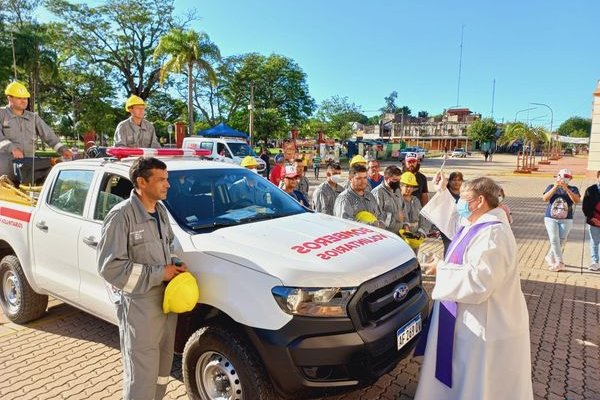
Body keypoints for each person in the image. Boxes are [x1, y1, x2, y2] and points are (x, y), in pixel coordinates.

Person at [416, 174, 533, 400]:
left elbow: (480, 281)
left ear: (480, 201)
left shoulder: (493, 233)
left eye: (464, 199)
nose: (460, 204)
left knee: (475, 381)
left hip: (485, 323)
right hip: (469, 318)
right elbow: (453, 221)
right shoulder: (478, 223)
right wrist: (441, 190)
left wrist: (442, 269)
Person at [97, 157, 187, 400]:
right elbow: (110, 268)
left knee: (161, 369)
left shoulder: (160, 211)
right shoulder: (121, 216)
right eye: (161, 180)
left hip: (166, 303)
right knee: (142, 374)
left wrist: (175, 264)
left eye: (167, 180)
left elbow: (168, 244)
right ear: (141, 182)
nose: (167, 185)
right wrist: (161, 273)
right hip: (140, 307)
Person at [0, 82, 73, 180]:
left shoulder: (33, 117)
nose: (24, 101)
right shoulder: (1, 114)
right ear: (9, 98)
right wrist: (12, 148)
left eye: (25, 98)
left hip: (28, 170)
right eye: (19, 98)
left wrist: (63, 150)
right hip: (4, 171)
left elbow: (49, 136)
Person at [542, 168, 580, 271]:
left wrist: (566, 189)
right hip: (550, 218)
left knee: (561, 240)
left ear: (571, 178)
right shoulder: (551, 186)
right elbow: (545, 198)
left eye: (567, 177)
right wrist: (555, 187)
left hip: (566, 219)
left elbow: (576, 201)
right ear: (558, 176)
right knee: (554, 239)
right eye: (563, 176)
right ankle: (559, 262)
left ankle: (550, 256)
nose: (564, 179)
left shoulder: (574, 189)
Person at [371, 166, 405, 234]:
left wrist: (405, 224)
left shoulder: (397, 190)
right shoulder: (378, 193)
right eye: (395, 180)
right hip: (385, 234)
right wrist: (395, 216)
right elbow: (376, 216)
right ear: (386, 178)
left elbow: (403, 208)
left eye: (399, 180)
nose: (397, 182)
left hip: (398, 233)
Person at [440, 171, 464, 255]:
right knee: (449, 246)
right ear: (449, 181)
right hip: (447, 225)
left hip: (461, 225)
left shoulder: (465, 193)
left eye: (459, 180)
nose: (457, 182)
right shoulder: (445, 192)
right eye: (454, 180)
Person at [582, 170, 600, 271]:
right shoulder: (590, 190)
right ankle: (595, 262)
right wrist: (592, 218)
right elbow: (585, 207)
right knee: (595, 241)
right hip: (594, 220)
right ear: (598, 177)